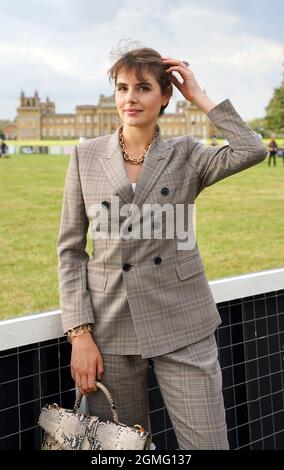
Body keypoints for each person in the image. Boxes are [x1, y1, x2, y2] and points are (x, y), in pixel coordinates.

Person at [56, 45, 267, 450]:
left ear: (165, 95)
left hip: (183, 321)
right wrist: (79, 334)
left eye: (143, 87)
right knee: (121, 452)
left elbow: (251, 150)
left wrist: (200, 96)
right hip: (110, 329)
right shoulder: (85, 157)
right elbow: (70, 250)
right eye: (122, 88)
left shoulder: (187, 154)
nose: (130, 98)